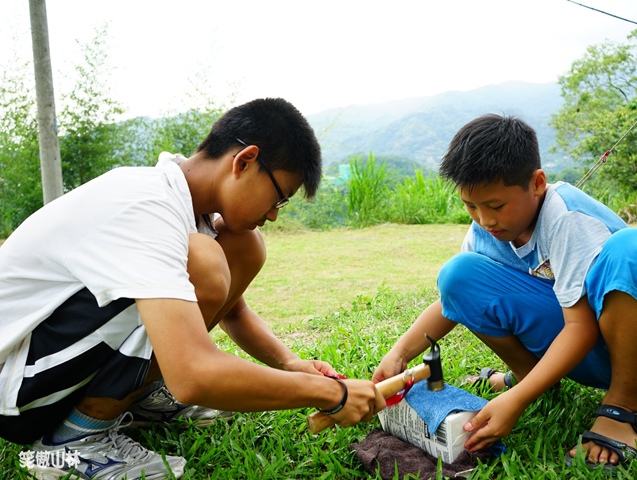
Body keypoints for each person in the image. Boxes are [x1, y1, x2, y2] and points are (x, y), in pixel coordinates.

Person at [0, 98, 385, 479]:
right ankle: (73, 442)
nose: (272, 214)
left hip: (44, 369)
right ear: (245, 160)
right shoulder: (147, 206)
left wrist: (288, 363)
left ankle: (137, 396)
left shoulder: (185, 205)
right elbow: (194, 375)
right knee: (204, 259)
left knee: (240, 247)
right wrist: (332, 395)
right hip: (13, 389)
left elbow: (234, 311)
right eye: (278, 197)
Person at [372, 114, 637, 471]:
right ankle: (530, 375)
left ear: (537, 183)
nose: (484, 220)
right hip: (575, 346)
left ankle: (624, 406)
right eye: (470, 206)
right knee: (458, 275)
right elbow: (451, 302)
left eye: (496, 206)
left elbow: (580, 327)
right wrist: (400, 353)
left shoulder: (566, 218)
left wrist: (515, 401)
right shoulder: (484, 234)